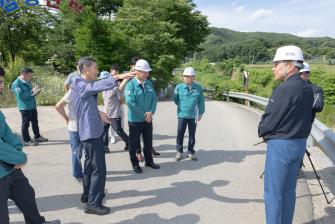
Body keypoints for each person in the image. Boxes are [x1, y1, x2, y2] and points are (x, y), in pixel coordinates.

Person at [70, 57, 134, 215]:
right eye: (95, 68)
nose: (97, 70)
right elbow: (90, 88)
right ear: (85, 68)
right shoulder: (77, 82)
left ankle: (87, 195)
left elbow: (86, 101)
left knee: (90, 166)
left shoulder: (84, 83)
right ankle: (93, 203)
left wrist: (99, 112)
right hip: (90, 132)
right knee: (99, 169)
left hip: (91, 130)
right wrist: (117, 77)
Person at [258, 46, 314, 224]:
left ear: (290, 66)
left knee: (273, 194)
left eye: (277, 63)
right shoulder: (307, 88)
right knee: (289, 191)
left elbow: (270, 119)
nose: (273, 67)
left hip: (281, 145)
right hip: (299, 144)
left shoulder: (284, 89)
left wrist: (262, 132)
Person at [0, 66, 60, 224]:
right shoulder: (18, 83)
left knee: (26, 194)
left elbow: (6, 134)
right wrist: (19, 157)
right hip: (6, 167)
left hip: (10, 167)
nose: (1, 86)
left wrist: (17, 148)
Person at [125, 59, 160, 174]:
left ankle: (149, 161)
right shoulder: (130, 85)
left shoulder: (149, 83)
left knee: (148, 142)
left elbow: (154, 99)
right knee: (134, 144)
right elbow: (130, 103)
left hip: (148, 118)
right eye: (144, 72)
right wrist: (144, 114)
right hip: (135, 120)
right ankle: (135, 164)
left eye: (147, 72)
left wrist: (151, 112)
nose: (146, 74)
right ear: (137, 71)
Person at [173, 67, 205, 161]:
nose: (187, 78)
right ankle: (179, 152)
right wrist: (181, 107)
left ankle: (190, 152)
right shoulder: (178, 87)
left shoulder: (198, 88)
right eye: (185, 76)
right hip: (181, 115)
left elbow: (201, 101)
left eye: (189, 77)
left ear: (193, 77)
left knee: (192, 135)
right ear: (183, 77)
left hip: (193, 116)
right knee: (180, 134)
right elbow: (175, 99)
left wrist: (201, 113)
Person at [11, 68, 48, 146]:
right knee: (25, 125)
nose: (31, 77)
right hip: (25, 107)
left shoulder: (27, 82)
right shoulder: (16, 83)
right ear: (24, 74)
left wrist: (36, 92)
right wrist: (32, 91)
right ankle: (26, 140)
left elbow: (30, 94)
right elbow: (21, 96)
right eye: (29, 75)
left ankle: (37, 137)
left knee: (35, 122)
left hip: (32, 106)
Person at [55, 89, 83, 179]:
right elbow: (58, 106)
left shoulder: (84, 88)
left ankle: (83, 170)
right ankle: (77, 173)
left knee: (80, 151)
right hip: (75, 128)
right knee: (77, 152)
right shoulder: (73, 91)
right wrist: (66, 118)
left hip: (83, 127)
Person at [100, 69, 130, 152]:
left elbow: (121, 100)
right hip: (105, 113)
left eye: (104, 79)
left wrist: (115, 106)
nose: (103, 81)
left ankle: (129, 143)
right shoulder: (103, 89)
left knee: (118, 130)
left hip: (114, 113)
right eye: (102, 79)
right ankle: (105, 147)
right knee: (104, 130)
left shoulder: (115, 88)